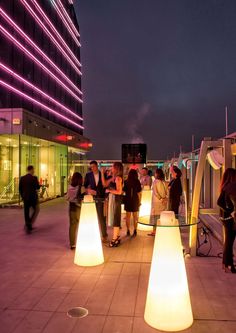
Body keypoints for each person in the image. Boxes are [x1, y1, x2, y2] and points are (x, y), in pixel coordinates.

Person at [217, 168, 236, 273]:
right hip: (228, 219)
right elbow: (219, 202)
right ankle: (228, 265)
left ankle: (227, 264)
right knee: (229, 242)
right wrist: (230, 211)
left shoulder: (225, 187)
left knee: (229, 242)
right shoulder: (228, 187)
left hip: (225, 218)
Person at [84, 161, 108, 242]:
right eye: (91, 167)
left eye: (93, 166)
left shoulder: (103, 174)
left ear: (97, 166)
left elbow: (106, 186)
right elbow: (85, 186)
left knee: (102, 218)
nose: (92, 168)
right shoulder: (88, 175)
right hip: (92, 199)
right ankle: (92, 235)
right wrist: (89, 190)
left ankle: (104, 235)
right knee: (91, 217)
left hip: (101, 199)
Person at [102, 162, 123, 247]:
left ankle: (114, 239)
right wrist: (103, 174)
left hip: (116, 200)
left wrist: (109, 191)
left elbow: (119, 191)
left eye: (112, 167)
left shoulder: (118, 178)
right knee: (115, 219)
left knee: (115, 219)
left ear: (116, 168)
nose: (111, 168)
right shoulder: (115, 177)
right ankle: (116, 237)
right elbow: (105, 184)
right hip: (114, 200)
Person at [19, 165, 40, 233]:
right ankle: (29, 223)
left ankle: (28, 225)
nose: (34, 171)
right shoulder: (34, 178)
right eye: (33, 169)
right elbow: (38, 187)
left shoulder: (22, 178)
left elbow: (20, 189)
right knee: (36, 209)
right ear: (31, 170)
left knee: (26, 212)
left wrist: (23, 196)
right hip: (33, 198)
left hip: (25, 198)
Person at [149, 168, 168, 236]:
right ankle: (161, 229)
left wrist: (160, 198)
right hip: (163, 202)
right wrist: (165, 198)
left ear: (157, 174)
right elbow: (167, 192)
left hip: (156, 202)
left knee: (155, 216)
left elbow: (155, 192)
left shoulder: (155, 181)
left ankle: (154, 231)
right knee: (161, 216)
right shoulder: (164, 182)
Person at [66, 172, 83, 250]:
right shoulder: (80, 187)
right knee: (81, 224)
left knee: (72, 226)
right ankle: (82, 241)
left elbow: (67, 198)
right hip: (79, 208)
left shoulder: (69, 187)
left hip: (71, 208)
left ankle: (72, 244)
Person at [123, 169, 142, 237]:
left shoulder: (126, 182)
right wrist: (139, 202)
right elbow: (139, 193)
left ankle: (128, 230)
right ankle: (135, 230)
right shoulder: (137, 182)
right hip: (135, 200)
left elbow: (123, 191)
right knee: (135, 217)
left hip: (128, 200)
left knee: (128, 217)